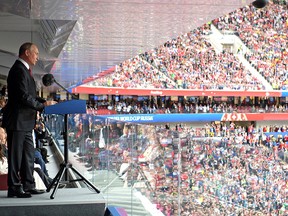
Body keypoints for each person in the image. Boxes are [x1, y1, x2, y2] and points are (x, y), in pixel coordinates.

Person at [2, 42, 56, 198]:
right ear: (27, 52)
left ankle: (28, 184)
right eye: (36, 53)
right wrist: (41, 106)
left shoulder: (25, 70)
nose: (38, 57)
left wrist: (44, 101)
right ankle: (14, 187)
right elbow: (22, 97)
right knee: (16, 156)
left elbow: (29, 95)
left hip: (26, 122)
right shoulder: (18, 70)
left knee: (28, 155)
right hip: (18, 121)